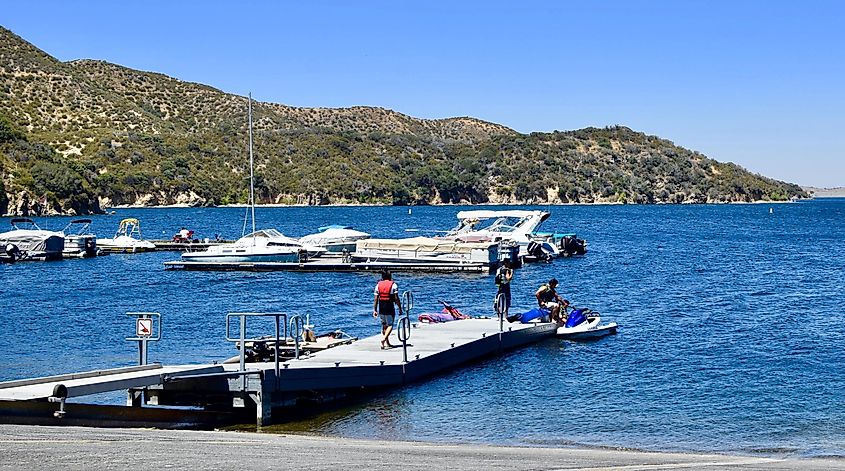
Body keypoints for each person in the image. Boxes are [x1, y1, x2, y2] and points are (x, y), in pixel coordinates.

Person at [373, 271, 403, 349]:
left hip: (381, 306)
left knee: (384, 325)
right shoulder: (394, 285)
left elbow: (376, 299)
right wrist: (400, 308)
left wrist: (375, 310)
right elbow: (396, 298)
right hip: (389, 306)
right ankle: (383, 340)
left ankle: (387, 343)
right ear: (390, 276)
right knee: (390, 325)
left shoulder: (378, 285)